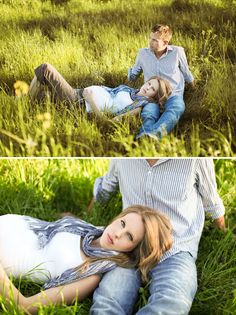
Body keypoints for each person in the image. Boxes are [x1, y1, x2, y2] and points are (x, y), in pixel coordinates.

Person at [91, 159, 226, 315]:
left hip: (175, 248)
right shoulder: (123, 157)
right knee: (108, 301)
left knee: (172, 302)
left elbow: (212, 203)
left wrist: (222, 236)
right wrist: (86, 215)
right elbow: (106, 187)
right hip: (129, 247)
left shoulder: (194, 160)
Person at [0, 205, 172, 314]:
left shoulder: (90, 275)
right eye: (122, 223)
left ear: (133, 251)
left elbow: (24, 306)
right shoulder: (89, 230)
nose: (118, 233)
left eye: (129, 237)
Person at [28, 63, 172, 119]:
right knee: (43, 95)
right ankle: (26, 101)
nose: (147, 87)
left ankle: (23, 103)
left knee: (45, 69)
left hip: (78, 102)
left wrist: (90, 99)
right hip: (79, 93)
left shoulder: (138, 105)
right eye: (149, 83)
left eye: (152, 89)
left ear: (154, 96)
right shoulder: (131, 91)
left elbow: (110, 122)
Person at [128, 24, 195, 139]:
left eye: (155, 40)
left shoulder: (177, 52)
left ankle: (154, 134)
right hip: (152, 96)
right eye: (150, 38)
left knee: (177, 108)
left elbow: (186, 73)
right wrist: (127, 84)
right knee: (149, 114)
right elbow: (133, 75)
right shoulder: (142, 53)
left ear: (165, 42)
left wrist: (194, 89)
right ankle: (144, 135)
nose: (150, 42)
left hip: (172, 95)